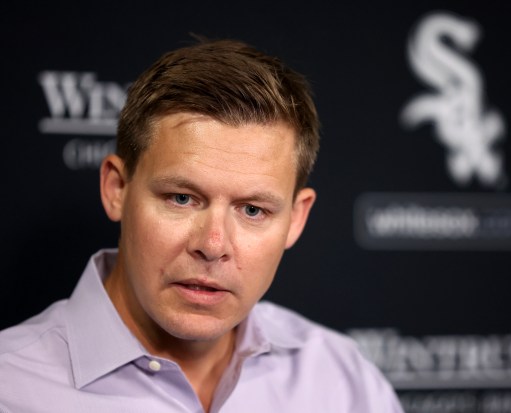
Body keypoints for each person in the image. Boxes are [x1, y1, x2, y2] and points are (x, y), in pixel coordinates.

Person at [0, 38, 404, 413]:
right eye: (182, 198)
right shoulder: (11, 386)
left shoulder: (345, 383)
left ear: (296, 219)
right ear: (117, 188)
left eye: (252, 210)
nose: (213, 245)